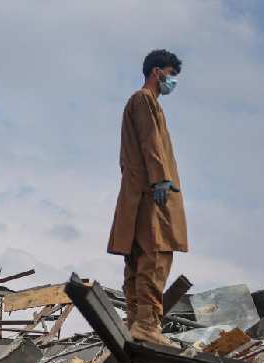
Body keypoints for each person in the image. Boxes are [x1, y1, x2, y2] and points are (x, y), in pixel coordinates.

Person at [107, 49, 187, 346]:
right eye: (171, 75)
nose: (172, 82)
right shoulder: (144, 99)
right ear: (157, 72)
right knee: (156, 254)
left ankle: (135, 324)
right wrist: (161, 178)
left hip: (138, 193)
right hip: (152, 195)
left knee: (139, 258)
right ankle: (146, 325)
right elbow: (151, 141)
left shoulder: (141, 102)